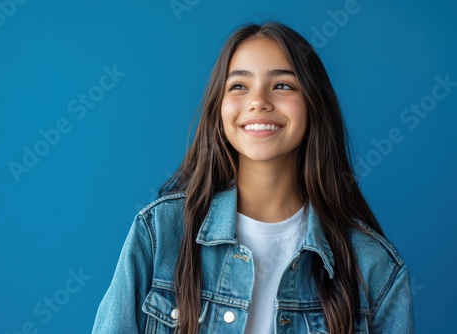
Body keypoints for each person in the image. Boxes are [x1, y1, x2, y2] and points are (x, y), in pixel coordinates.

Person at [91, 22, 414, 334]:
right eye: (239, 86)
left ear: (314, 104)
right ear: (219, 107)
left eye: (283, 85)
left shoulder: (373, 265)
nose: (258, 101)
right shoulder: (160, 231)